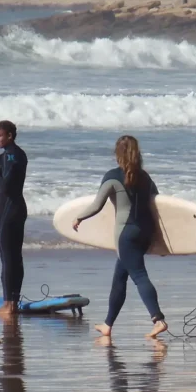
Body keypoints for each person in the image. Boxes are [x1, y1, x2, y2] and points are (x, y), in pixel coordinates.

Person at [73, 136, 168, 342]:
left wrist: (79, 217)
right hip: (145, 232)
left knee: (139, 276)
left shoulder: (113, 177)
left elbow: (97, 205)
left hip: (126, 234)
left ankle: (158, 319)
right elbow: (159, 205)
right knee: (119, 278)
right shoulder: (145, 178)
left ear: (117, 154)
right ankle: (108, 324)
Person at [0, 120, 27, 318]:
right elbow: (10, 181)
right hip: (13, 209)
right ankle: (12, 303)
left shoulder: (11, 154)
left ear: (10, 135)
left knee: (8, 259)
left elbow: (7, 187)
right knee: (13, 258)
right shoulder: (12, 155)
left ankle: (9, 305)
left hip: (10, 211)